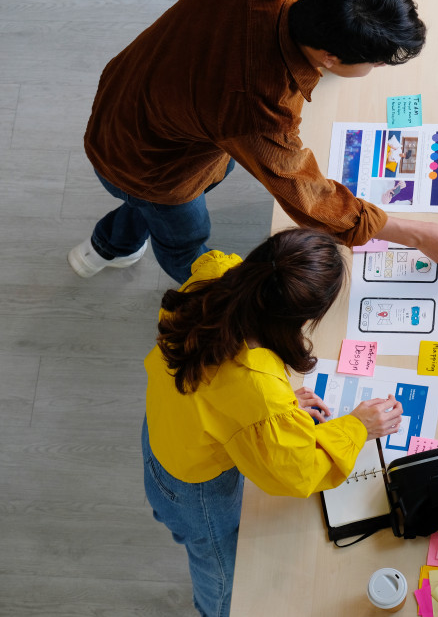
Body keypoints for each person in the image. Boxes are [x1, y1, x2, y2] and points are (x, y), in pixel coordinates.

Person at [69, 0, 438, 284]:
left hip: (134, 92)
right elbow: (313, 199)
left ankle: (110, 242)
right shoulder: (258, 112)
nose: (378, 69)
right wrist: (417, 234)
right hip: (146, 164)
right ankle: (114, 249)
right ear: (329, 57)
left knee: (164, 200)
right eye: (374, 62)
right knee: (183, 240)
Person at [142, 228, 403, 617]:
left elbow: (215, 388)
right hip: (194, 488)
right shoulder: (257, 386)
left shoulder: (218, 274)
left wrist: (270, 411)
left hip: (167, 431)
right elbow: (296, 472)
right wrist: (359, 428)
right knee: (221, 576)